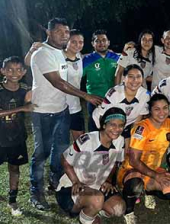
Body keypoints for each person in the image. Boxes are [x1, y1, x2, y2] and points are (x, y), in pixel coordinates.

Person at [28, 18, 102, 210]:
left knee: (60, 151)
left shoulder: (60, 53)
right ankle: (36, 192)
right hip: (43, 112)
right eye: (59, 31)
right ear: (49, 32)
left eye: (66, 32)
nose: (64, 35)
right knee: (41, 153)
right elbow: (58, 82)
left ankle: (56, 181)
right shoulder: (43, 53)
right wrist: (86, 95)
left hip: (61, 110)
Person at [117, 94, 170, 221]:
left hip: (154, 169)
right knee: (135, 185)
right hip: (132, 170)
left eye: (165, 108)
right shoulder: (142, 128)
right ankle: (129, 211)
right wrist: (157, 176)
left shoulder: (169, 123)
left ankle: (148, 191)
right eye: (157, 109)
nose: (162, 112)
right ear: (150, 111)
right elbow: (134, 161)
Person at [56, 107, 126, 224]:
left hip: (97, 186)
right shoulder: (87, 140)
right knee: (97, 199)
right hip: (70, 189)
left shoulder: (120, 140)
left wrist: (108, 180)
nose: (117, 129)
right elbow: (65, 160)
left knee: (119, 208)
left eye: (121, 125)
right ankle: (86, 216)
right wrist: (75, 181)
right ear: (104, 125)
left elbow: (115, 163)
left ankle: (94, 208)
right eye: (112, 125)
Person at [0, 56, 35, 216]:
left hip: (17, 138)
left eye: (19, 69)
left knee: (14, 168)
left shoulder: (25, 91)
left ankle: (12, 200)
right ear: (2, 71)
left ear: (24, 71)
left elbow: (33, 103)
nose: (14, 73)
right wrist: (22, 108)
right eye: (10, 69)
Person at [93, 64, 150, 151]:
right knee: (104, 151)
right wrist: (107, 136)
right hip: (102, 124)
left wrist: (132, 138)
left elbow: (138, 119)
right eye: (131, 77)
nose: (135, 80)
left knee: (126, 152)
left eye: (138, 77)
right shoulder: (114, 93)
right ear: (124, 78)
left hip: (124, 125)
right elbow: (102, 117)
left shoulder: (145, 95)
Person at [83, 29, 120, 131]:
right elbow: (75, 77)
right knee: (95, 129)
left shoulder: (117, 58)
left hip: (114, 99)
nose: (101, 43)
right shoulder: (87, 60)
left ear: (108, 42)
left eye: (104, 40)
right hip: (95, 100)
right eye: (97, 41)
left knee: (112, 128)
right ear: (92, 43)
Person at [63, 29, 85, 139]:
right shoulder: (58, 57)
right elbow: (28, 61)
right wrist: (34, 48)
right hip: (60, 107)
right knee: (61, 145)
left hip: (75, 106)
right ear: (66, 41)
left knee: (81, 141)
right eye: (73, 42)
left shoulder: (79, 56)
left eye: (80, 42)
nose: (77, 45)